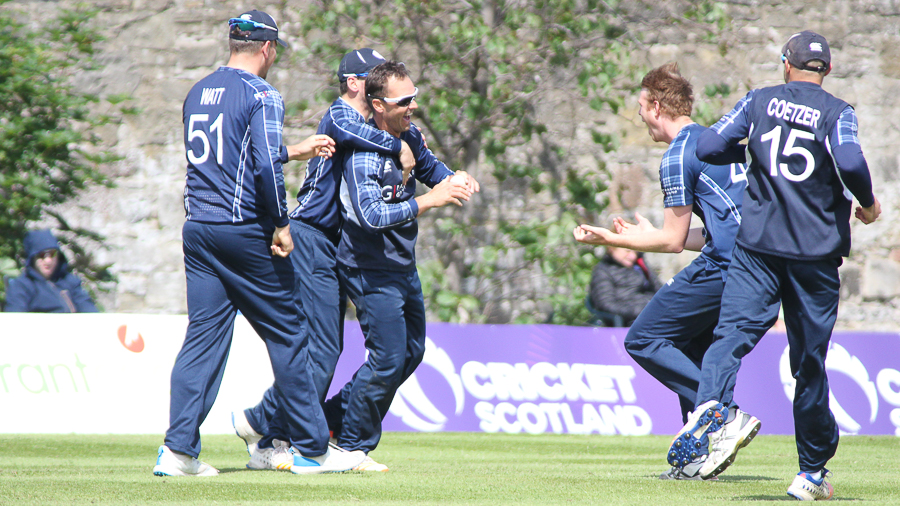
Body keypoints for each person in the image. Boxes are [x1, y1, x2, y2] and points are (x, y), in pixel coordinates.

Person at [152, 10, 365, 477]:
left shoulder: (197, 91)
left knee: (203, 339)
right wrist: (281, 223)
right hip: (243, 229)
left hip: (199, 229)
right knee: (292, 332)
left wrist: (296, 149)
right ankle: (312, 449)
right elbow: (266, 167)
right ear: (267, 49)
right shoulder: (262, 94)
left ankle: (178, 452)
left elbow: (231, 158)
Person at [669, 31, 881, 497]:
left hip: (758, 248)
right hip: (814, 256)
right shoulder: (837, 112)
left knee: (730, 338)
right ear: (825, 71)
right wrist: (866, 201)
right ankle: (810, 474)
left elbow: (707, 147)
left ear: (786, 63)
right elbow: (848, 157)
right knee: (808, 365)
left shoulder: (757, 101)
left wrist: (744, 151)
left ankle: (712, 408)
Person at [231, 48, 420, 473]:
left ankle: (263, 424)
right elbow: (377, 139)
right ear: (354, 83)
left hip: (334, 244)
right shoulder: (341, 115)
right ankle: (276, 431)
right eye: (371, 77)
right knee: (321, 349)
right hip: (312, 237)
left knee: (326, 350)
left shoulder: (367, 124)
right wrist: (400, 144)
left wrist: (407, 143)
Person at [574, 62, 754, 481]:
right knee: (690, 347)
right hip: (755, 266)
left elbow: (672, 242)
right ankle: (697, 455)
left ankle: (722, 417)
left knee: (646, 338)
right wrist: (653, 232)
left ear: (655, 105)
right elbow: (715, 228)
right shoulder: (719, 142)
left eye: (641, 107)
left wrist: (610, 239)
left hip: (726, 267)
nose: (640, 117)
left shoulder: (678, 153)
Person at [324, 60, 476, 467]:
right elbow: (370, 217)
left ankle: (331, 419)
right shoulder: (362, 153)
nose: (412, 107)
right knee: (387, 357)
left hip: (401, 266)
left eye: (414, 98)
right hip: (367, 267)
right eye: (403, 100)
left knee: (410, 353)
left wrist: (454, 177)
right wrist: (429, 200)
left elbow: (430, 168)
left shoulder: (409, 135)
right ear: (377, 105)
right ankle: (351, 447)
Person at [4, 229, 98, 313]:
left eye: (52, 254)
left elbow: (89, 311)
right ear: (33, 258)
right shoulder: (22, 286)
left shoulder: (70, 282)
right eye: (42, 255)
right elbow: (15, 319)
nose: (48, 261)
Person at [588, 246, 661, 327]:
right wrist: (637, 311)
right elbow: (606, 305)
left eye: (635, 252)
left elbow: (660, 290)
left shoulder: (640, 266)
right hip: (630, 321)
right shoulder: (602, 271)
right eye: (627, 251)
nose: (633, 256)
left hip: (653, 313)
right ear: (611, 248)